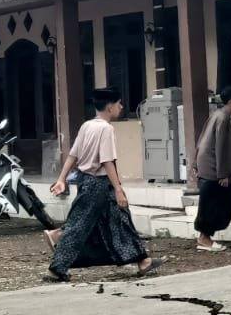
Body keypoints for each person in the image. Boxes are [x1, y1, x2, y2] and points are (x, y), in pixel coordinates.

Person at [45, 88, 160, 282]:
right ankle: (57, 266)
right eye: (119, 104)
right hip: (98, 183)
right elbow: (107, 161)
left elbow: (73, 155)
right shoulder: (106, 129)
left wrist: (61, 178)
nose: (121, 107)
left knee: (121, 219)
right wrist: (118, 189)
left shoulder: (86, 126)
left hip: (86, 180)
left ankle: (143, 260)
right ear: (109, 107)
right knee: (79, 225)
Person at [193, 87, 231, 252]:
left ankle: (207, 235)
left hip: (208, 165)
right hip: (213, 168)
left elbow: (201, 138)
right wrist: (222, 174)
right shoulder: (222, 118)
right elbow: (220, 148)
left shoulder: (217, 114)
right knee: (214, 202)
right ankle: (205, 238)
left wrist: (195, 163)